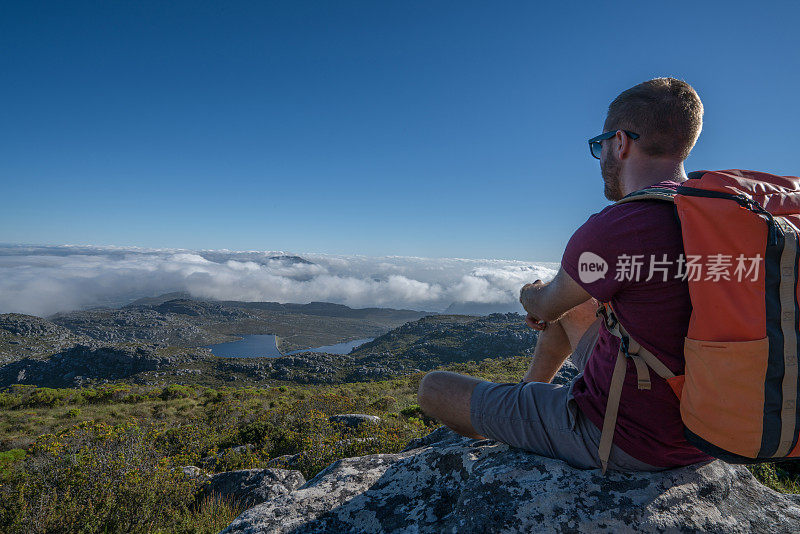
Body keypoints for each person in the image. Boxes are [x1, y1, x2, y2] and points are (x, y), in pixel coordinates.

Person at [417, 77, 714, 471]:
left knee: (432, 388)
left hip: (628, 439)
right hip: (708, 427)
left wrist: (531, 293)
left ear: (621, 142)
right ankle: (529, 395)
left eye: (601, 146)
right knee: (576, 305)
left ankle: (520, 418)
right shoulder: (718, 215)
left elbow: (543, 305)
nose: (602, 156)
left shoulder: (619, 226)